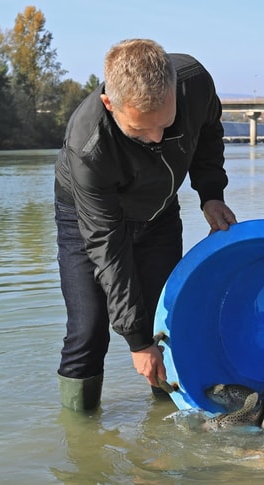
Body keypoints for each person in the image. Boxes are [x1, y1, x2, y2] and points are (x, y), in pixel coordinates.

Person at [54, 39, 237, 412]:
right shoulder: (88, 146)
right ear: (110, 104)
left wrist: (211, 194)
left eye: (165, 125)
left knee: (165, 325)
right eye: (140, 132)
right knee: (88, 331)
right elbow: (108, 246)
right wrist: (137, 342)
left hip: (159, 212)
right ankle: (81, 446)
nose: (155, 139)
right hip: (91, 221)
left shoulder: (195, 82)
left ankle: (168, 417)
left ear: (175, 90)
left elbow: (208, 134)